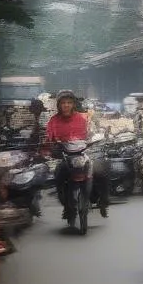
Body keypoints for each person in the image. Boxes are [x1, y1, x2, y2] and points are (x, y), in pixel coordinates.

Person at [46, 90, 100, 218]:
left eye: (69, 102)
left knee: (98, 173)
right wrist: (52, 148)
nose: (66, 105)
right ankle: (66, 204)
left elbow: (92, 133)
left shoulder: (83, 118)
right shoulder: (53, 121)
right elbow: (49, 140)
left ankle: (97, 198)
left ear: (73, 104)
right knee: (58, 175)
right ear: (59, 105)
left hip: (83, 154)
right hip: (65, 156)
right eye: (63, 103)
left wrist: (94, 140)